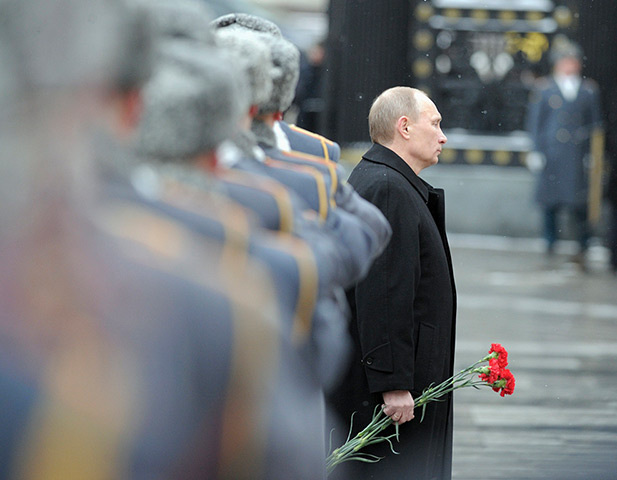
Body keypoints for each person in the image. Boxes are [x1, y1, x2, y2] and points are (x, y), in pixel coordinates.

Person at [328, 86, 456, 480]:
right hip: (394, 394)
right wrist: (394, 383)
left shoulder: (389, 180)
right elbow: (384, 291)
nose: (443, 135)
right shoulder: (387, 187)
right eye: (434, 124)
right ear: (404, 127)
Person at [526, 38, 603, 269]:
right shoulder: (545, 88)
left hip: (576, 153)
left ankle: (583, 243)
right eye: (566, 61)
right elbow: (535, 122)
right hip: (553, 152)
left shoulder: (588, 90)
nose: (571, 65)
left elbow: (594, 124)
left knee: (579, 202)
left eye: (574, 61)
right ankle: (550, 242)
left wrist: (593, 153)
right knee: (550, 203)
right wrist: (536, 150)